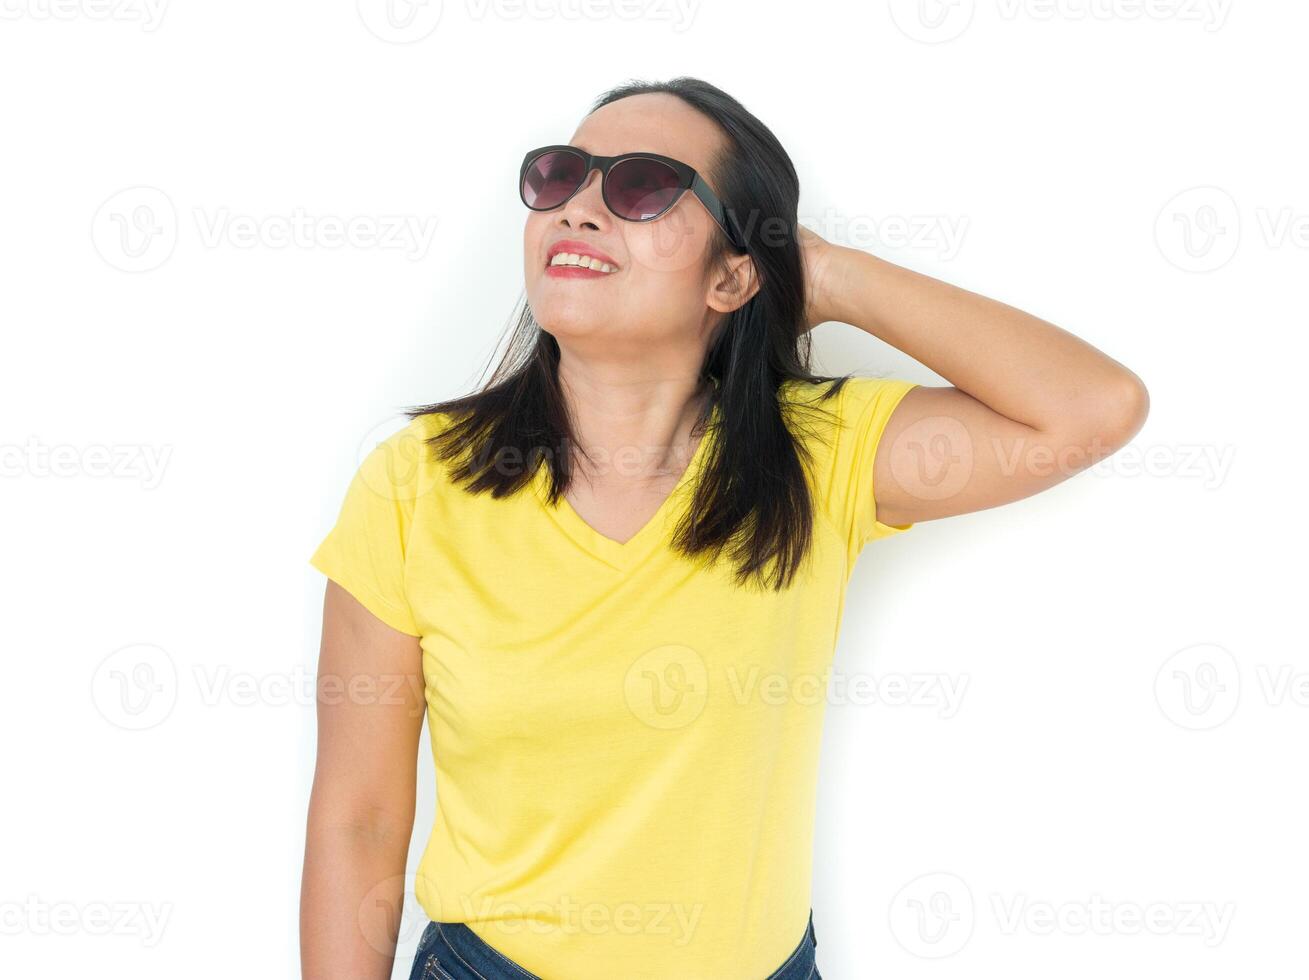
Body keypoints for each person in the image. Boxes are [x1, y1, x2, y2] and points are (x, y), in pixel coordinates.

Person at [300, 76, 1148, 980]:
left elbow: (1093, 408)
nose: (580, 209)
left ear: (732, 274)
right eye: (559, 177)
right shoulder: (416, 481)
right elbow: (361, 819)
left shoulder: (816, 455)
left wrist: (821, 274)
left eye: (640, 187)